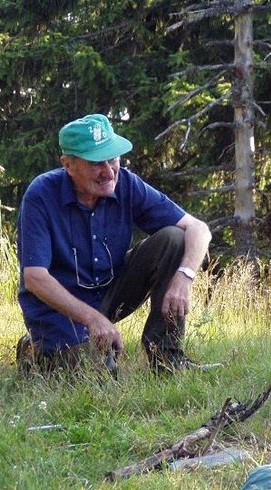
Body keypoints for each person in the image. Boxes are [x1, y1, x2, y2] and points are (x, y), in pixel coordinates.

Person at [16, 113, 215, 376]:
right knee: (102, 378)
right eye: (96, 163)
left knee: (174, 239)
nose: (109, 172)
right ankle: (36, 349)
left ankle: (167, 358)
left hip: (108, 292)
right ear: (68, 165)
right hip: (58, 310)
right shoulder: (41, 195)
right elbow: (35, 278)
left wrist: (184, 277)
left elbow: (199, 229)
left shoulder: (127, 184)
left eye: (112, 158)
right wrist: (93, 319)